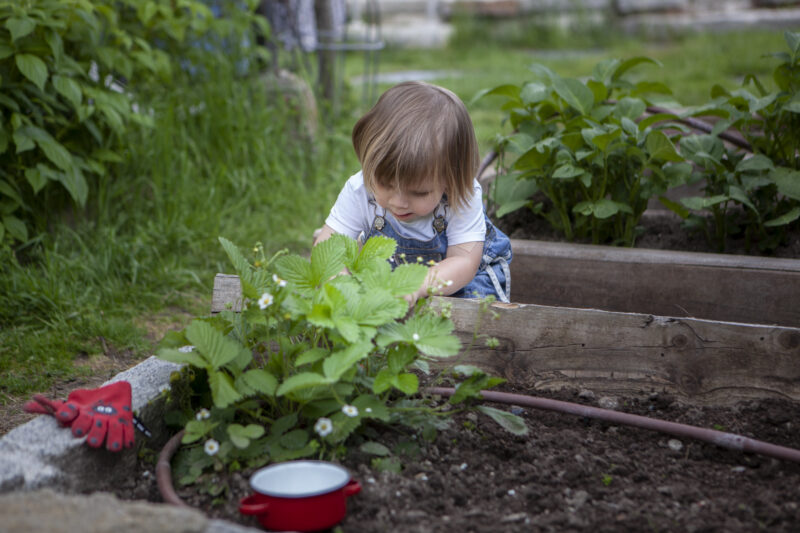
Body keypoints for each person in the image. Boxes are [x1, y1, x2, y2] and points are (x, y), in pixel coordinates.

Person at [314, 81, 511, 306]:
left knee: (471, 311)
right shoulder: (360, 188)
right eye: (385, 185)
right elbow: (327, 246)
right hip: (391, 281)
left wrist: (416, 286)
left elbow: (463, 261)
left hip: (458, 280)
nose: (398, 202)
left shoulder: (462, 196)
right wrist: (339, 283)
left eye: (419, 193)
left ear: (450, 178)